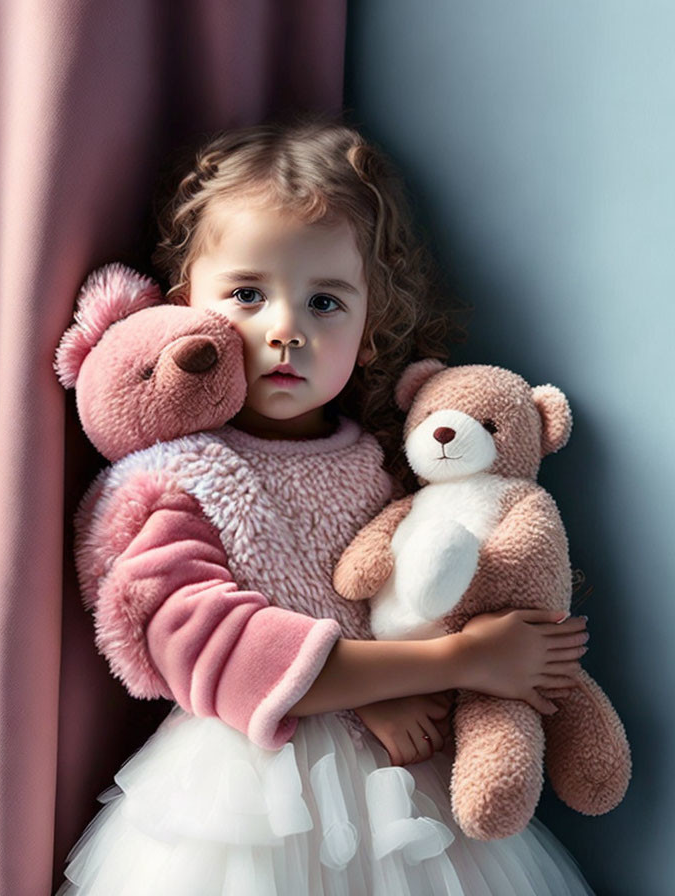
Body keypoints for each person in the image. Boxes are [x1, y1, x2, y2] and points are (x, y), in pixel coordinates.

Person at [58, 118, 594, 895]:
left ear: (370, 331)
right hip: (249, 797)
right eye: (247, 294)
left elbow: (408, 598)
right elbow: (219, 649)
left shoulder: (383, 465)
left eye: (325, 303)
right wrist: (461, 660)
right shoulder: (179, 478)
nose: (285, 330)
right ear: (189, 308)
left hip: (402, 794)